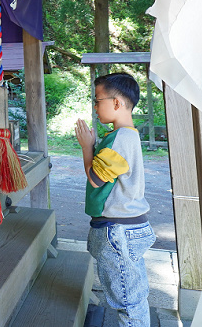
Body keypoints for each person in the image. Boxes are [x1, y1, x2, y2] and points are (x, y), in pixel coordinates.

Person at [74, 72, 154, 327]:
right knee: (131, 296)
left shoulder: (122, 138)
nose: (96, 107)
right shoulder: (123, 136)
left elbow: (96, 179)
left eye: (98, 100)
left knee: (128, 302)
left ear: (117, 103)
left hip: (118, 229)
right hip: (123, 228)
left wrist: (87, 147)